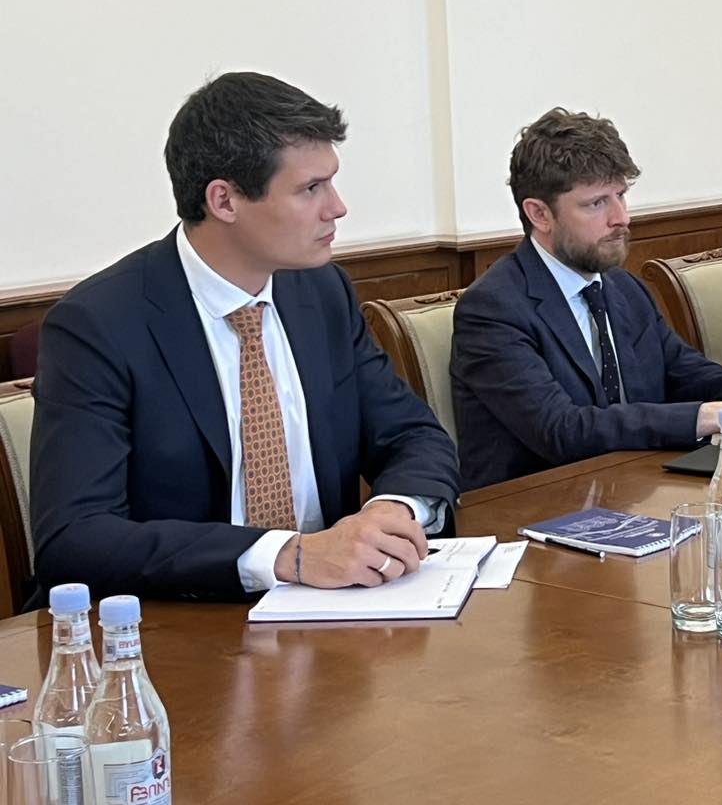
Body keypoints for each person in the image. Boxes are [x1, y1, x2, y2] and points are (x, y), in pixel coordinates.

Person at [29, 73, 460, 603]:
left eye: (331, 182)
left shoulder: (321, 292)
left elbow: (413, 436)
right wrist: (285, 555)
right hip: (178, 619)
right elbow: (75, 536)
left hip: (333, 610)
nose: (337, 207)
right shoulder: (99, 324)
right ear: (224, 201)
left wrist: (389, 513)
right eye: (310, 189)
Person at [450, 108, 722, 489]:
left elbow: (692, 375)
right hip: (533, 508)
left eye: (620, 195)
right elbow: (561, 430)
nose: (621, 218)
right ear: (539, 214)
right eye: (597, 203)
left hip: (629, 490)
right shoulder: (494, 309)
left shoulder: (622, 289)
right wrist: (714, 416)